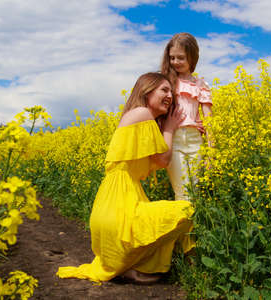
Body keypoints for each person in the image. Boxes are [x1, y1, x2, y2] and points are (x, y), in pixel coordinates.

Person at [57, 72, 195, 284]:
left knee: (159, 224)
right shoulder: (142, 113)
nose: (170, 96)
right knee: (186, 210)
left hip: (108, 207)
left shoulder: (136, 117)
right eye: (164, 90)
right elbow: (162, 160)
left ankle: (126, 267)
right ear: (146, 91)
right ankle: (140, 266)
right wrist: (169, 128)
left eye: (171, 91)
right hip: (120, 210)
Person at [161, 32, 212, 201]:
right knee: (182, 192)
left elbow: (209, 120)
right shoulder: (165, 81)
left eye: (180, 58)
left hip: (195, 140)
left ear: (192, 57)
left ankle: (190, 227)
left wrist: (211, 152)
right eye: (172, 58)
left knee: (194, 192)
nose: (175, 62)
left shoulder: (201, 85)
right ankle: (184, 228)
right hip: (173, 139)